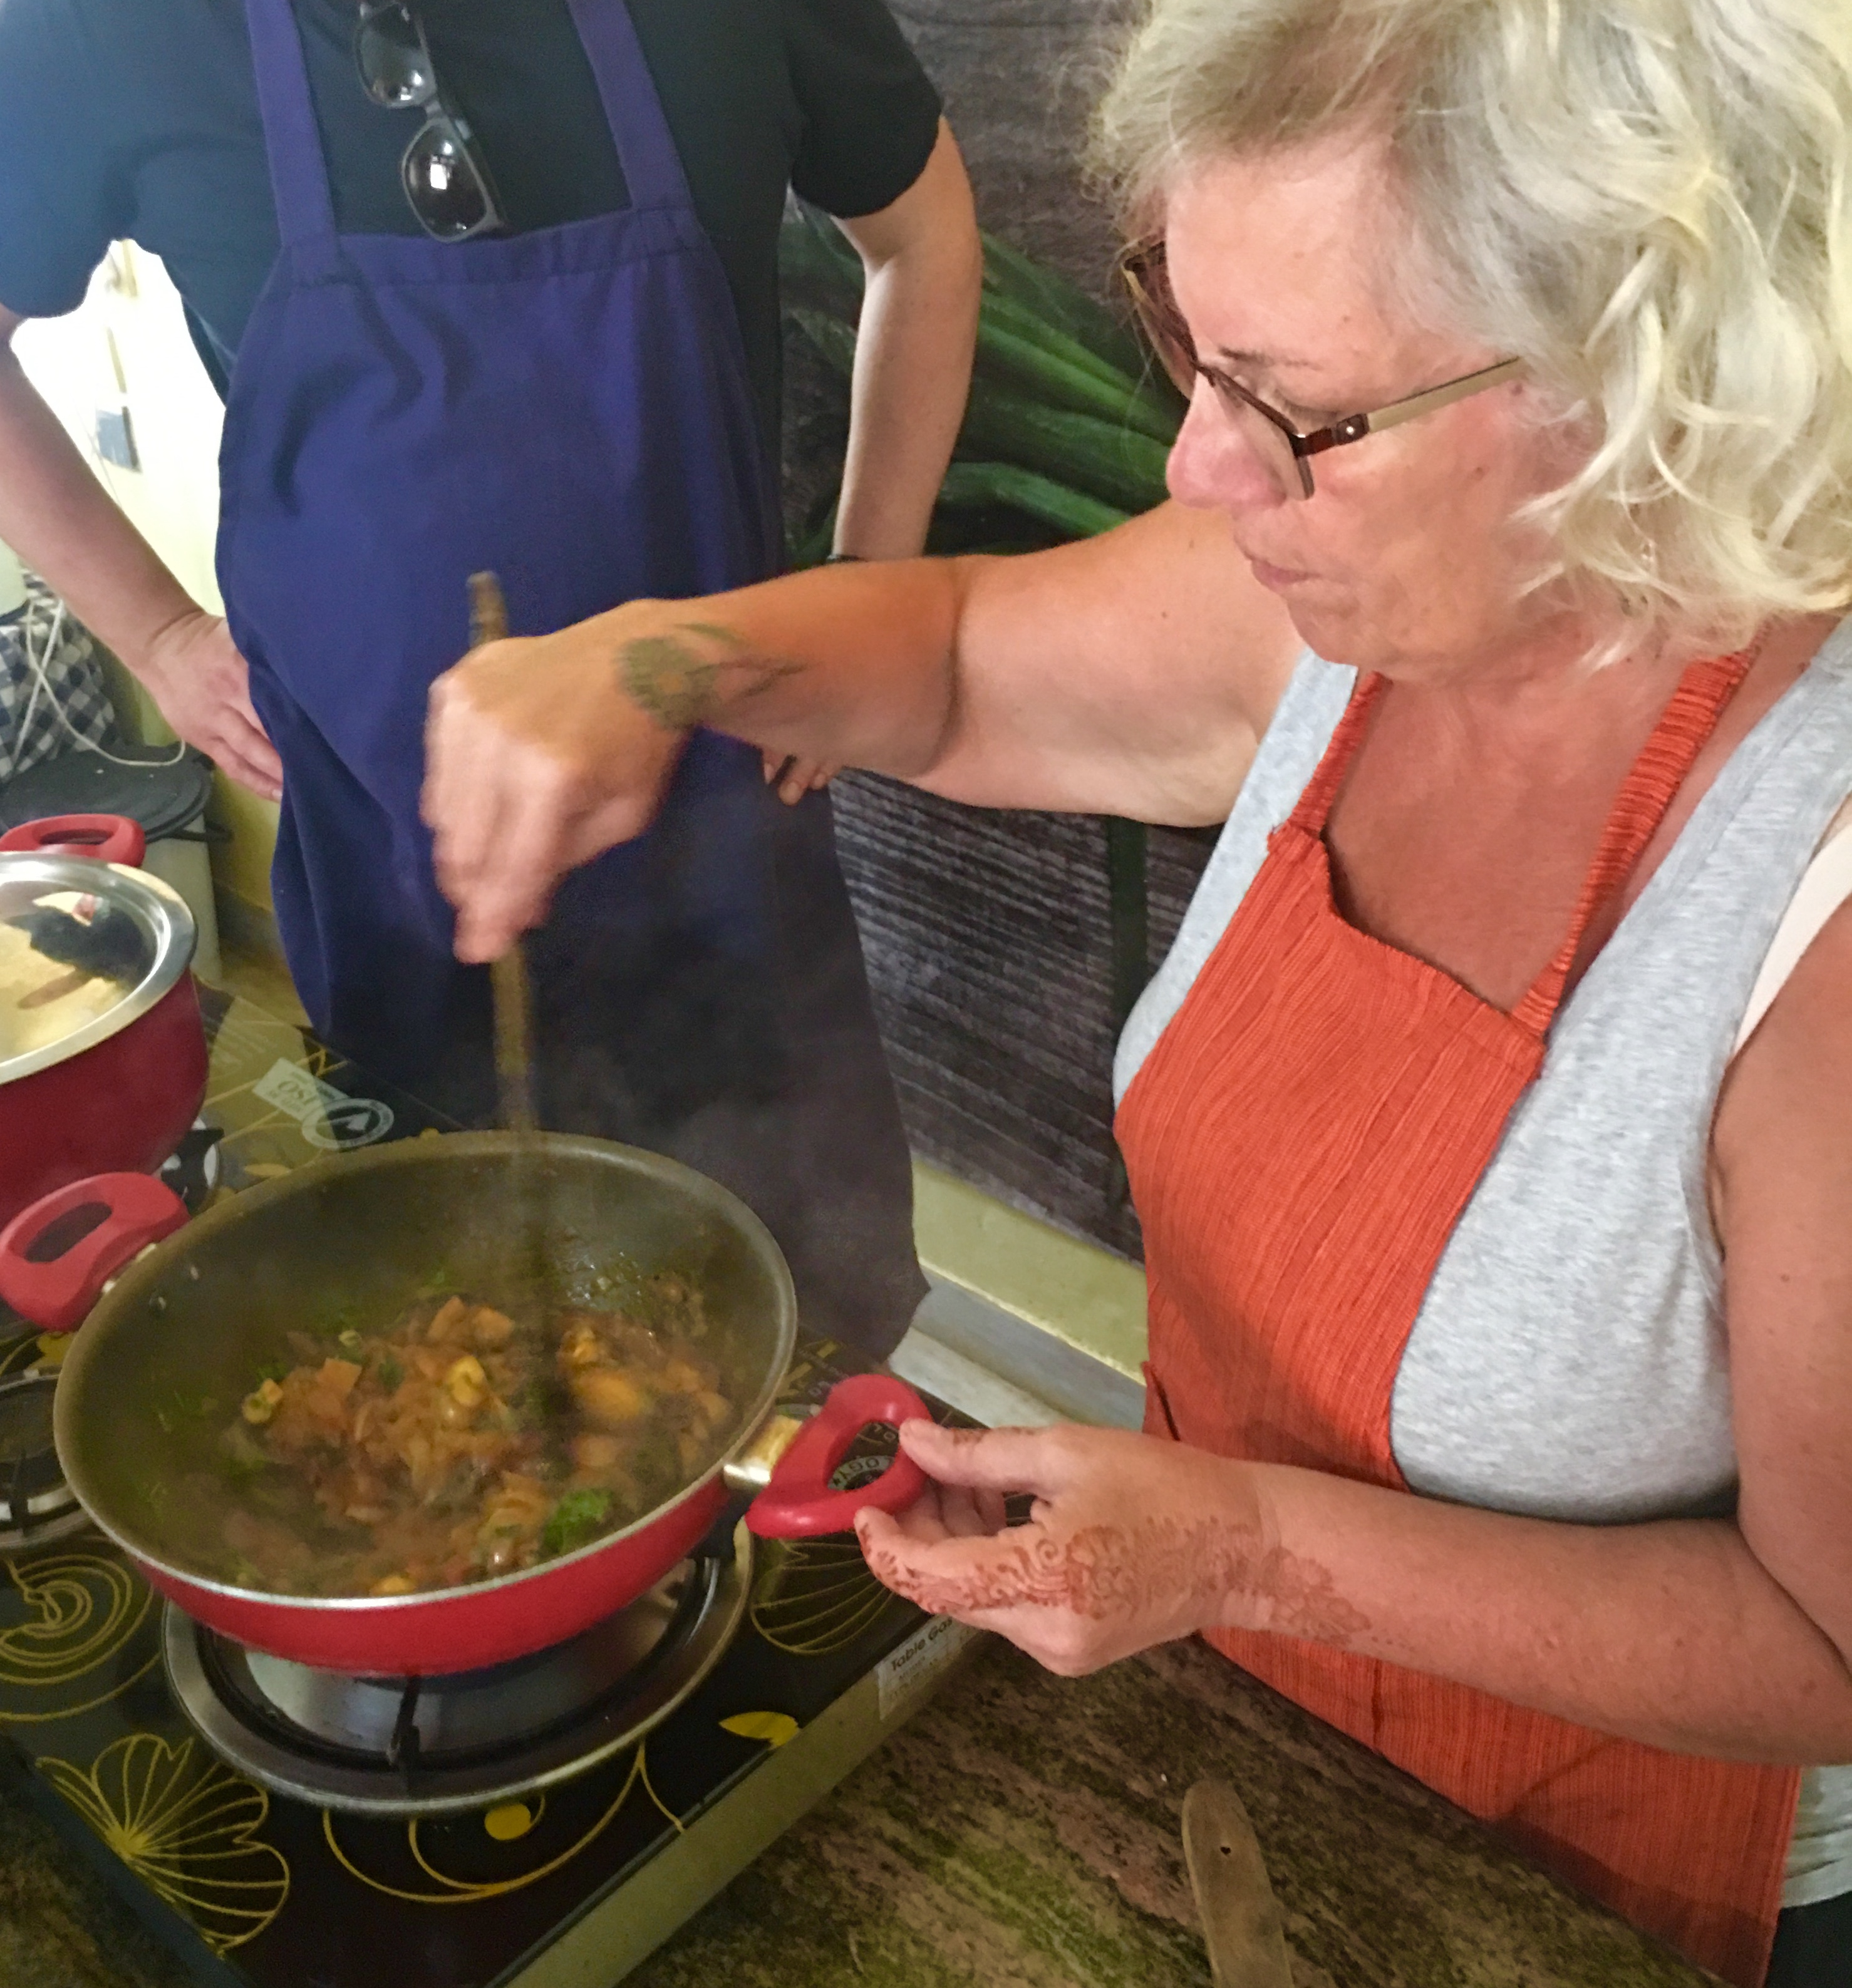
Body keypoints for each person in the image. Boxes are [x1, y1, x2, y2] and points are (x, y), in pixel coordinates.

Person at [418, 1, 1852, 1980]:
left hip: (1596, 1879)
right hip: (1242, 1720)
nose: (1195, 462)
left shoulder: (1805, 894)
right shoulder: (1350, 604)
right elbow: (954, 661)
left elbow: (1822, 1640)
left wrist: (1242, 1549)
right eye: (1184, 344)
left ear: (1637, 384)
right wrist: (657, 661)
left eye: (1291, 408)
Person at [0, 0, 984, 1356]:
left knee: (788, 1329)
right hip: (394, 868)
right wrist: (159, 635)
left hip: (725, 837)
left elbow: (924, 237)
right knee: (447, 1332)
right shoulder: (104, 29)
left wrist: (863, 598)